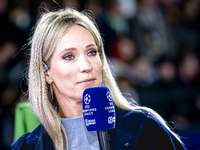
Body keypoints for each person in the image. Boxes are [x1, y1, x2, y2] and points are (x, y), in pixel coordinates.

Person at [11, 7, 187, 150]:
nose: (86, 66)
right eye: (69, 56)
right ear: (46, 72)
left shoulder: (145, 128)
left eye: (92, 52)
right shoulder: (27, 146)